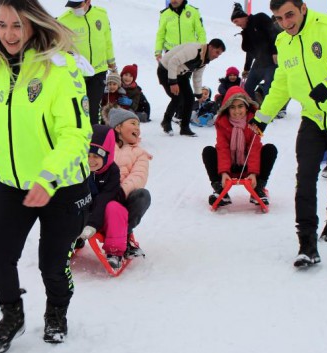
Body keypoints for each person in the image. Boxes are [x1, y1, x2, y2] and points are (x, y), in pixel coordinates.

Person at [0, 0, 92, 353]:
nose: (8, 33)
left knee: (52, 264)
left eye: (17, 25)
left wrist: (48, 177)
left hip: (62, 186)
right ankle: (12, 314)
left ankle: (56, 311)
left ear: (35, 25)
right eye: (2, 24)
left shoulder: (61, 68)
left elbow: (76, 134)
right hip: (10, 182)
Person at [250, 0, 327, 267]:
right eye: (279, 18)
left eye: (290, 14)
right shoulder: (284, 41)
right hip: (313, 119)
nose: (286, 23)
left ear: (303, 8)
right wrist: (263, 117)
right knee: (304, 176)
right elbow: (282, 83)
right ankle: (307, 243)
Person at [202, 86, 277, 207]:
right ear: (227, 109)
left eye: (240, 106)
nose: (237, 111)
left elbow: (254, 148)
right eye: (233, 107)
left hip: (249, 167)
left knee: (270, 149)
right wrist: (224, 172)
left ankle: (258, 188)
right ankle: (220, 190)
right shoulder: (222, 123)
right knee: (209, 151)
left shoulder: (255, 122)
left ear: (247, 107)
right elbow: (223, 148)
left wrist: (253, 172)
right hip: (230, 167)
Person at [59, 0, 116, 125]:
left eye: (78, 6)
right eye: (72, 6)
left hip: (98, 71)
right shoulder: (63, 20)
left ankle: (93, 141)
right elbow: (59, 49)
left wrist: (112, 63)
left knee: (93, 109)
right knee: (77, 108)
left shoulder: (101, 15)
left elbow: (107, 41)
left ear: (88, 1)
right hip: (76, 74)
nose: (74, 9)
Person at [158, 38, 226, 136]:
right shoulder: (194, 50)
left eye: (219, 54)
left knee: (189, 99)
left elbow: (197, 77)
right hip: (166, 70)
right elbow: (173, 61)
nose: (217, 56)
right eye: (217, 52)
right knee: (177, 97)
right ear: (210, 47)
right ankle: (166, 121)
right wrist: (173, 82)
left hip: (181, 74)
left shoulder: (205, 59)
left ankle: (185, 128)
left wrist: (199, 94)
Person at [78, 124, 124, 269]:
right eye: (87, 155)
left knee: (113, 208)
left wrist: (92, 224)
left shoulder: (113, 172)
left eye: (96, 156)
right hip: (87, 211)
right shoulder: (80, 169)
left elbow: (104, 198)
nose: (91, 160)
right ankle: (72, 240)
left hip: (106, 215)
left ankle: (115, 252)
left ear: (107, 155)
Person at [108, 107, 151, 258]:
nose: (137, 128)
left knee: (142, 195)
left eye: (138, 125)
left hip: (122, 200)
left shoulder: (140, 154)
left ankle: (122, 235)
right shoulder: (105, 146)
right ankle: (74, 236)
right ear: (118, 127)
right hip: (99, 197)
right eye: (133, 123)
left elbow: (138, 176)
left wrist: (120, 192)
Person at [231, 3, 280, 104]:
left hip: (272, 61)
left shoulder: (260, 18)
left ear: (243, 16)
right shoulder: (246, 31)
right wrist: (246, 68)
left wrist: (275, 52)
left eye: (236, 21)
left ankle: (270, 113)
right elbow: (249, 51)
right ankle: (254, 109)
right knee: (248, 87)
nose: (236, 24)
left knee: (269, 89)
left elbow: (274, 33)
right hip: (259, 62)